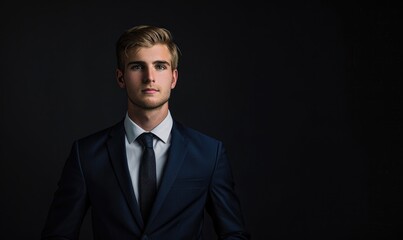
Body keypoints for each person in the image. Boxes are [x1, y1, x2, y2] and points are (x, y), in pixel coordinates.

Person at [41, 25, 250, 240]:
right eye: (137, 66)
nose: (149, 77)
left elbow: (234, 234)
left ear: (174, 78)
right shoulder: (86, 155)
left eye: (160, 66)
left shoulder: (209, 153)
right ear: (121, 78)